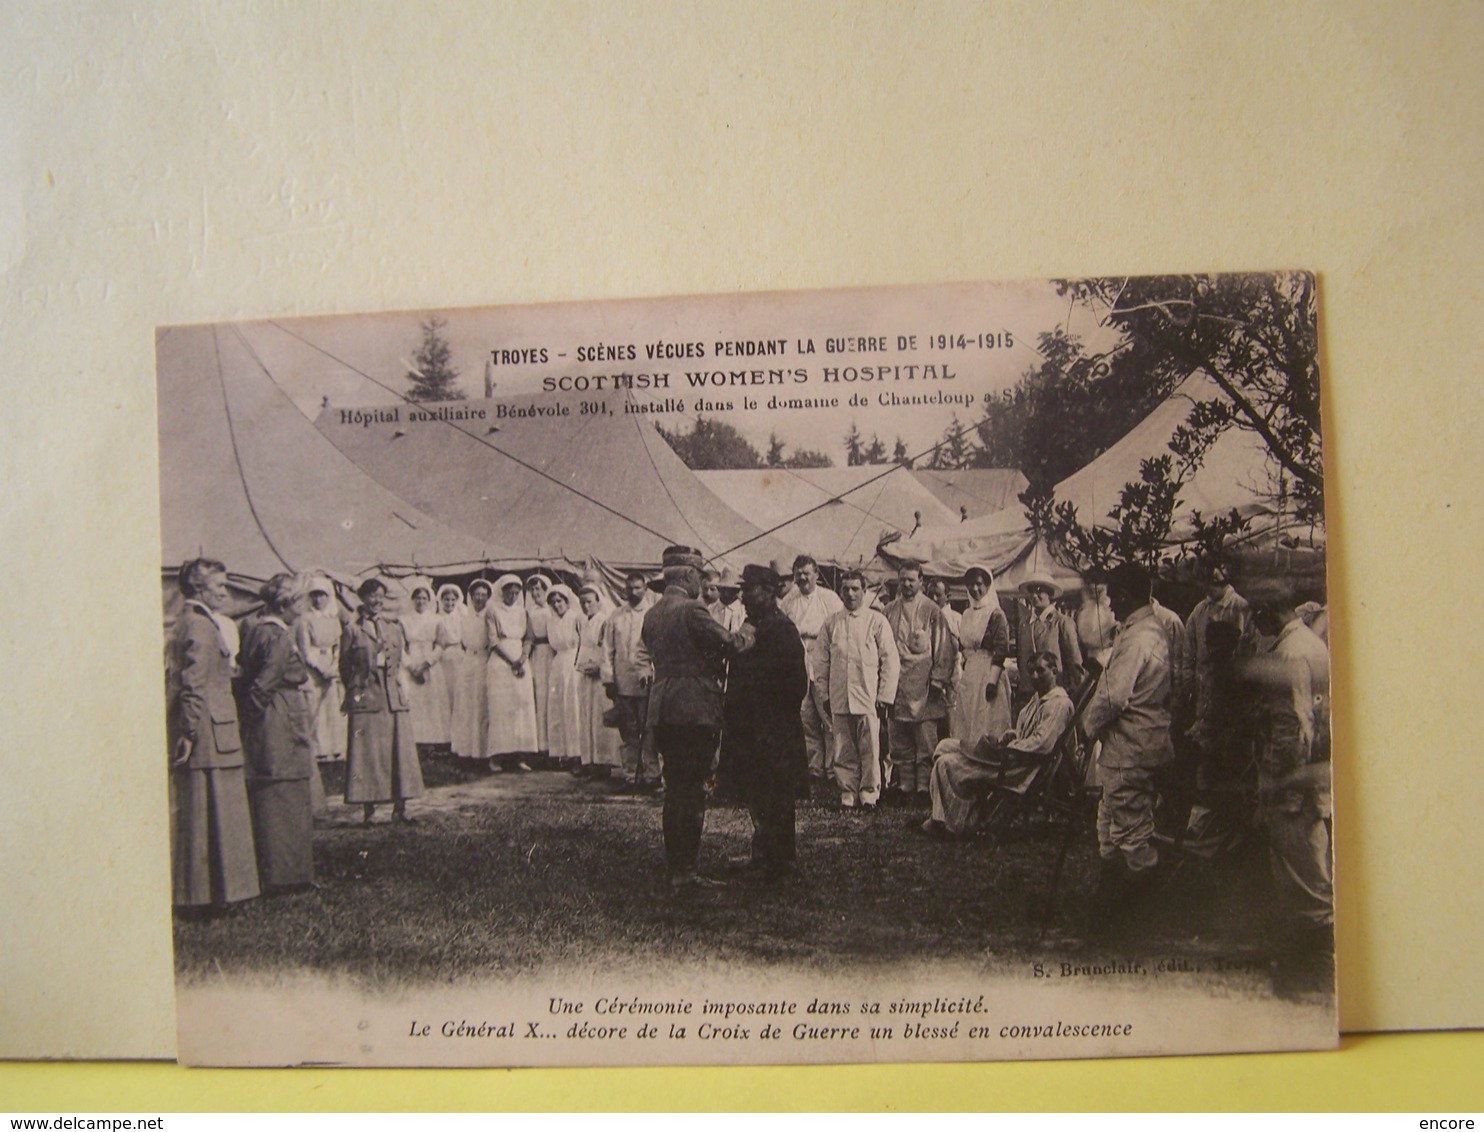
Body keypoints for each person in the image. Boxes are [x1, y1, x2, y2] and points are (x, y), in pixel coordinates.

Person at [640, 546, 752, 888]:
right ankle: (686, 871)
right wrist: (749, 628)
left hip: (663, 708)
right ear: (688, 576)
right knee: (692, 791)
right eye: (700, 577)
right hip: (694, 708)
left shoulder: (653, 613)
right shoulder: (693, 610)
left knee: (675, 788)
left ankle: (678, 866)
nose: (702, 584)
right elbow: (730, 644)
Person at [1080, 562, 1175, 924]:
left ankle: (1139, 912)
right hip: (1131, 743)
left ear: (1126, 595)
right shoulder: (1141, 629)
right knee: (1109, 823)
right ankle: (1111, 901)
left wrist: (1088, 727)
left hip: (1132, 745)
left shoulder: (1140, 636)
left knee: (1131, 830)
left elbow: (1114, 696)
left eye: (1114, 597)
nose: (1111, 606)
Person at [1248, 589, 1333, 989]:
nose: (1254, 621)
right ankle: (1306, 963)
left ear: (1270, 609)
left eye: (1257, 612)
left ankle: (1317, 969)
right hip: (1307, 779)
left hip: (1293, 785)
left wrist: (1285, 782)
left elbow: (1298, 726)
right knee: (1304, 872)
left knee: (1304, 877)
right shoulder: (1307, 644)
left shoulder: (1289, 654)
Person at [167, 557, 259, 914]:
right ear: (200, 588)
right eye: (219, 586)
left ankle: (207, 894)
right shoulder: (201, 626)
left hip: (208, 727)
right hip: (208, 730)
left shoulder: (192, 622)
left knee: (208, 813)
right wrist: (188, 732)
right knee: (213, 811)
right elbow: (193, 684)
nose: (225, 592)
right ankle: (210, 897)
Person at [920, 651, 1075, 838]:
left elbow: (1042, 744)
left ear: (1055, 671)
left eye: (1041, 671)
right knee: (944, 745)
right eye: (1032, 671)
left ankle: (954, 823)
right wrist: (1009, 737)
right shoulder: (1038, 700)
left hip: (1022, 768)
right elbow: (1027, 733)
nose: (1035, 676)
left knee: (946, 763)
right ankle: (948, 815)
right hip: (1014, 757)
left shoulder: (1058, 704)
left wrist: (1006, 749)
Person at [720, 564, 809, 882]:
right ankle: (762, 857)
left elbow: (797, 684)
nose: (743, 596)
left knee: (777, 796)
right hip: (750, 729)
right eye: (742, 590)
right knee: (757, 793)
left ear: (769, 593)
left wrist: (768, 715)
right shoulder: (751, 625)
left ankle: (782, 863)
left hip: (773, 730)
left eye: (750, 590)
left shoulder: (781, 629)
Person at [237, 572, 316, 892]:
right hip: (280, 717)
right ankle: (286, 875)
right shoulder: (279, 636)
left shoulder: (255, 629)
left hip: (271, 718)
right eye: (300, 601)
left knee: (274, 792)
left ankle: (275, 870)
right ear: (286, 604)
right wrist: (251, 719)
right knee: (284, 793)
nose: (303, 607)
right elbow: (262, 685)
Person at [341, 577, 425, 824]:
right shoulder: (352, 629)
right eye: (371, 596)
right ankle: (370, 810)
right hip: (367, 694)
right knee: (367, 753)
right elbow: (344, 667)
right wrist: (358, 688)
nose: (376, 601)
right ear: (362, 599)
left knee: (399, 750)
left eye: (380, 596)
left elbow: (400, 660)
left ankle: (401, 808)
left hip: (392, 693)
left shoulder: (393, 626)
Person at [817, 570, 900, 808]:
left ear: (864, 591)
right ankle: (848, 791)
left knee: (870, 746)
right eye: (846, 589)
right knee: (843, 745)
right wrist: (824, 694)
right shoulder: (831, 623)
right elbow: (821, 661)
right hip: (840, 694)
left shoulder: (876, 621)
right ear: (840, 592)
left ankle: (869, 792)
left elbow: (890, 660)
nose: (850, 594)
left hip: (867, 695)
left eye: (855, 588)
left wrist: (884, 695)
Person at [883, 562, 955, 805]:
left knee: (925, 740)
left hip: (924, 684)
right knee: (899, 739)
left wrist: (938, 680)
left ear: (921, 582)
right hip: (896, 682)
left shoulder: (932, 611)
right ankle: (905, 787)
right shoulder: (889, 610)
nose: (906, 584)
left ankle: (924, 789)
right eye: (903, 579)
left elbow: (944, 648)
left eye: (911, 580)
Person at [778, 554, 844, 789]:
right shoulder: (788, 600)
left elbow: (840, 628)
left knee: (829, 715)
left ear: (816, 573)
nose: (803, 578)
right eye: (799, 574)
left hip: (824, 660)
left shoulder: (830, 599)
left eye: (807, 573)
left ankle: (834, 769)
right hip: (798, 661)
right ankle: (814, 769)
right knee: (806, 718)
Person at [603, 570, 659, 790]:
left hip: (647, 681)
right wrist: (608, 679)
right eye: (630, 588)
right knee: (628, 731)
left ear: (645, 589)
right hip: (623, 682)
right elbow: (608, 649)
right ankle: (630, 776)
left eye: (637, 588)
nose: (633, 592)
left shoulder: (653, 614)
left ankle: (651, 775)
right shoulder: (616, 616)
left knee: (649, 730)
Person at [950, 565, 1012, 754]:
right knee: (967, 723)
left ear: (987, 585)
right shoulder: (967, 614)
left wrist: (992, 682)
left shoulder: (995, 614)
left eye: (979, 584)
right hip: (970, 676)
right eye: (970, 585)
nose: (975, 589)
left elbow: (1001, 649)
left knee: (987, 722)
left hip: (988, 674)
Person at [1183, 560, 1252, 719]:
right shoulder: (1200, 610)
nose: (1209, 586)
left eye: (1214, 581)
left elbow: (1247, 651)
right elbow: (1188, 652)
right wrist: (1188, 686)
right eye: (1205, 581)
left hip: (1230, 690)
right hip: (1202, 687)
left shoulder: (1240, 607)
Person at [484, 575, 539, 771]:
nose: (513, 596)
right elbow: (493, 641)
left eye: (516, 592)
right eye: (509, 592)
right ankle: (496, 757)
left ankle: (520, 756)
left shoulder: (523, 612)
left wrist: (523, 658)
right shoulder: (492, 611)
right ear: (502, 591)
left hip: (521, 662)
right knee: (500, 709)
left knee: (521, 708)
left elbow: (529, 638)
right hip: (501, 663)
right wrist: (512, 661)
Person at [296, 578, 345, 763]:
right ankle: (319, 749)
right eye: (315, 595)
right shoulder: (305, 620)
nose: (318, 600)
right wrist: (320, 668)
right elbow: (305, 649)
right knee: (315, 707)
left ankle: (336, 748)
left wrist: (333, 666)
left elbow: (338, 646)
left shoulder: (333, 619)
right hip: (314, 667)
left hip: (331, 667)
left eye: (322, 595)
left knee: (332, 706)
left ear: (328, 596)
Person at [575, 583, 622, 776]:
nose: (586, 606)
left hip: (599, 675)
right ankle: (590, 760)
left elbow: (607, 649)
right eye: (583, 602)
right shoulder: (584, 622)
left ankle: (605, 762)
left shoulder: (604, 621)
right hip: (585, 675)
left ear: (598, 602)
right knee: (587, 716)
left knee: (600, 717)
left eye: (589, 602)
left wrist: (599, 668)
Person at [400, 579, 451, 753]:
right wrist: (410, 666)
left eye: (424, 598)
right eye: (417, 598)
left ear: (429, 600)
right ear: (412, 600)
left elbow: (441, 644)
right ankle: (413, 740)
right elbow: (399, 646)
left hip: (430, 663)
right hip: (411, 662)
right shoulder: (404, 620)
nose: (420, 601)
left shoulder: (436, 620)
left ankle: (432, 741)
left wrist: (427, 663)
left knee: (431, 702)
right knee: (413, 701)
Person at [440, 582, 487, 763]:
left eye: (483, 595)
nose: (479, 598)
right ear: (471, 596)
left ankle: (482, 750)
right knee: (465, 705)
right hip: (467, 660)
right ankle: (466, 749)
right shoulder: (464, 618)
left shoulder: (489, 616)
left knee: (481, 704)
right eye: (476, 594)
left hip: (483, 660)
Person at [1016, 571, 1083, 696]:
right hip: (1029, 694)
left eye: (1039, 590)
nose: (1035, 595)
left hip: (1055, 693)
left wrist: (1070, 692)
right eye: (1031, 591)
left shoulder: (1062, 622)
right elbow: (1021, 661)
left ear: (1050, 594)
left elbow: (1075, 663)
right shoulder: (1024, 625)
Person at [544, 584, 585, 771]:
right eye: (553, 603)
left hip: (573, 661)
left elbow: (584, 642)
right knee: (558, 707)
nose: (557, 605)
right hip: (558, 663)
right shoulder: (551, 621)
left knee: (573, 707)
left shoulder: (576, 618)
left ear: (567, 601)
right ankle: (562, 753)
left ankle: (578, 754)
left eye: (560, 601)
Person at [524, 573, 556, 765]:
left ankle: (552, 748)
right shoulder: (528, 612)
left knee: (549, 699)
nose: (536, 593)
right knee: (536, 697)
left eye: (539, 589)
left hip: (550, 655)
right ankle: (537, 748)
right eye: (533, 589)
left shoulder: (553, 610)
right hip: (534, 654)